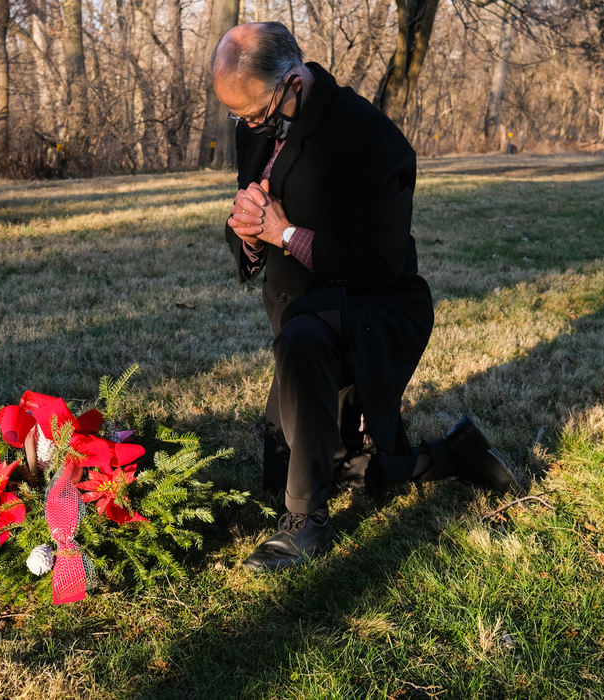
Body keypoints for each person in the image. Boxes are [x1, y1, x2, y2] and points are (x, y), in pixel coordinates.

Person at [213, 22, 525, 571]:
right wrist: (249, 236)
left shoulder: (370, 139)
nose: (249, 126)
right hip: (302, 312)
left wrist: (283, 234)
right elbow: (259, 215)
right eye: (238, 117)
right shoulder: (255, 126)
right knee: (332, 468)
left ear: (293, 82)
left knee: (306, 360)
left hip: (376, 306)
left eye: (256, 113)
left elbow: (378, 264)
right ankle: (453, 454)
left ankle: (305, 523)